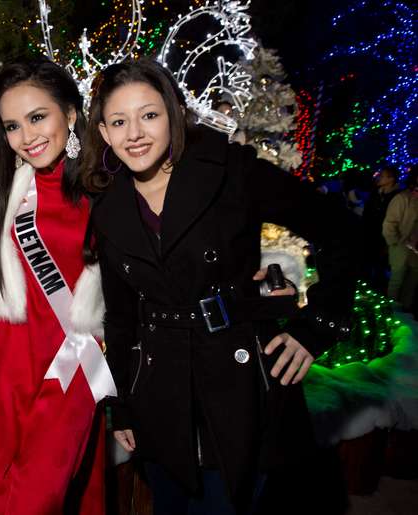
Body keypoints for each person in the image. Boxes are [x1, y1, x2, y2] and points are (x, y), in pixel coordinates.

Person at [81, 58, 358, 514]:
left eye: (149, 114)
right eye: (118, 120)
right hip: (159, 394)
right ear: (104, 133)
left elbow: (342, 231)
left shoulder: (230, 171)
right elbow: (122, 316)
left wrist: (315, 327)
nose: (135, 133)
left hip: (238, 386)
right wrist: (124, 406)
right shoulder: (109, 207)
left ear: (173, 114)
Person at [0, 58, 115, 515]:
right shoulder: (9, 185)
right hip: (7, 356)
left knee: (37, 495)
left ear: (70, 113)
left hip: (73, 359)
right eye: (12, 125)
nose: (26, 137)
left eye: (37, 117)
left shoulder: (109, 187)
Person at [383, 168, 418, 311]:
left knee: (412, 282)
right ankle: (391, 312)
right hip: (401, 246)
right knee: (396, 281)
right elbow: (390, 223)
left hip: (415, 250)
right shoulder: (403, 198)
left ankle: (405, 310)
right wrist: (395, 242)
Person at [362, 166, 402, 292]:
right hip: (371, 235)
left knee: (382, 268)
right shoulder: (375, 194)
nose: (379, 178)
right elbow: (367, 214)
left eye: (382, 176)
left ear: (391, 179)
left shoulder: (399, 197)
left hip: (387, 237)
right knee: (368, 265)